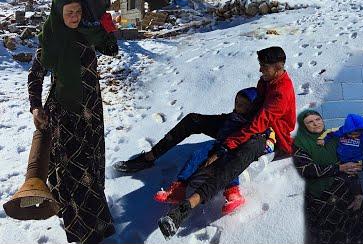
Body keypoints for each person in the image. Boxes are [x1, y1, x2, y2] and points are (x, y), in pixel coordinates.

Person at [156, 46, 297, 239]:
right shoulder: (266, 80)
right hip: (246, 125)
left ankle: (183, 210)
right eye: (260, 65)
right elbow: (253, 111)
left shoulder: (281, 92)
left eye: (264, 66)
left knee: (229, 163)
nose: (260, 70)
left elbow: (258, 125)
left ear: (278, 67)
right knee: (194, 120)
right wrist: (232, 118)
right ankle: (151, 157)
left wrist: (225, 146)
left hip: (267, 136)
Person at [27, 0, 119, 243]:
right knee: (75, 171)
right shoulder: (51, 39)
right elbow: (35, 76)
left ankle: (94, 221)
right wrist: (35, 106)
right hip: (65, 114)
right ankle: (84, 232)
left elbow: (112, 49)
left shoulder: (87, 33)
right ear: (59, 13)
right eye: (69, 12)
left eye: (78, 11)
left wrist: (106, 29)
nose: (75, 16)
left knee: (92, 165)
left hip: (92, 110)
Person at [113, 87, 270, 215]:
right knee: (196, 144)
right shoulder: (234, 116)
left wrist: (269, 142)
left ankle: (232, 193)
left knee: (227, 161)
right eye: (236, 102)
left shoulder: (255, 123)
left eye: (242, 104)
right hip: (223, 137)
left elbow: (264, 135)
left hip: (233, 146)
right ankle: (176, 185)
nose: (237, 105)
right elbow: (230, 118)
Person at [293, 109, 363, 243]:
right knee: (333, 234)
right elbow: (306, 170)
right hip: (324, 198)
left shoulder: (335, 137)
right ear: (303, 125)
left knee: (355, 228)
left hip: (347, 191)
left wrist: (357, 170)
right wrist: (339, 168)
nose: (316, 124)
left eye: (318, 119)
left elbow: (352, 157)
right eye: (310, 122)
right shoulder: (300, 144)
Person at [324, 113, 363, 196]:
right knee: (344, 177)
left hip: (357, 159)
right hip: (343, 159)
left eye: (356, 134)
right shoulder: (341, 131)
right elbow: (330, 133)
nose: (353, 136)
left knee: (353, 175)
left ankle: (357, 195)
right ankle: (350, 195)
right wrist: (323, 139)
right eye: (350, 134)